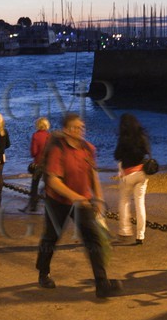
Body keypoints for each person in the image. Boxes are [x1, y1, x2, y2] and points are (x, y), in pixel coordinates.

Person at [37, 112, 121, 299]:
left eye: (81, 127)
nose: (79, 131)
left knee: (93, 239)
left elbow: (93, 176)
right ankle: (43, 273)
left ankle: (102, 284)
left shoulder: (88, 148)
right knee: (51, 237)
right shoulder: (58, 149)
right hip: (57, 201)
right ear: (66, 130)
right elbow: (53, 181)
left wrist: (98, 199)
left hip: (82, 201)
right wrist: (76, 197)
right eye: (75, 127)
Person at [113, 113, 151, 244]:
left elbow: (117, 155)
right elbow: (147, 151)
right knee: (140, 204)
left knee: (124, 201)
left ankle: (125, 231)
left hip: (128, 174)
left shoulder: (124, 139)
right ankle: (140, 235)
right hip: (142, 173)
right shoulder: (142, 136)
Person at [26, 117, 51, 212]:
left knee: (34, 184)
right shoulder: (49, 136)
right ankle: (49, 205)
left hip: (38, 163)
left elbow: (34, 152)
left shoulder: (35, 136)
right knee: (48, 184)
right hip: (48, 163)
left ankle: (33, 205)